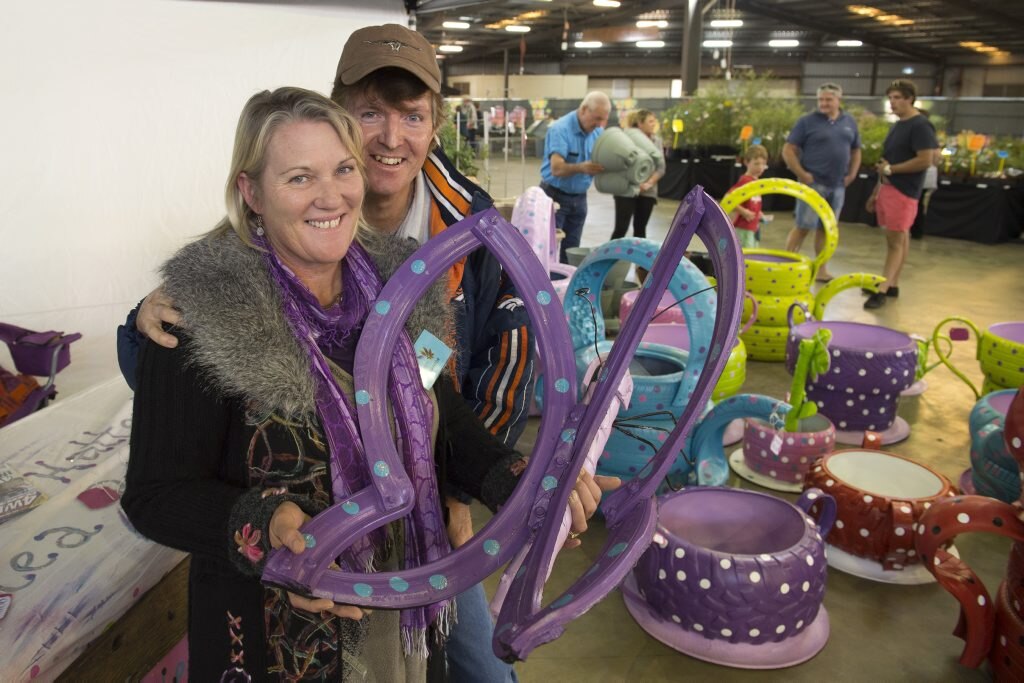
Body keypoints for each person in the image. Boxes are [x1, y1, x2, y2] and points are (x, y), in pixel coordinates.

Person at [121, 86, 613, 682]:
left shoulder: (410, 286)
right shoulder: (200, 315)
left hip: (398, 619)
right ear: (251, 192)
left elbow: (444, 412)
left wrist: (514, 478)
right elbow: (154, 495)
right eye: (299, 178)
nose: (331, 196)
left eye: (343, 169)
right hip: (271, 639)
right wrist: (268, 524)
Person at [863, 80, 939, 310]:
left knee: (895, 241)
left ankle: (882, 289)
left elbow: (926, 159)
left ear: (909, 99)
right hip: (889, 187)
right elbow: (887, 161)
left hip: (904, 190)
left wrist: (892, 170)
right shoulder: (898, 125)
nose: (893, 103)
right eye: (891, 98)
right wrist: (877, 190)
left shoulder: (920, 126)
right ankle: (892, 283)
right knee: (899, 238)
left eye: (897, 98)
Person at [782, 82, 862, 282]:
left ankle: (821, 269)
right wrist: (802, 173)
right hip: (813, 184)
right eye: (821, 99)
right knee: (803, 226)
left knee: (826, 229)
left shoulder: (849, 122)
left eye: (828, 99)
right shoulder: (807, 122)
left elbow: (856, 150)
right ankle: (787, 265)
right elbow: (788, 149)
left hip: (838, 185)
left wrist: (852, 174)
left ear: (838, 100)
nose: (824, 103)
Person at [539, 91, 611, 262]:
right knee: (549, 251)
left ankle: (568, 288)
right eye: (597, 118)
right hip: (554, 197)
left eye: (603, 119)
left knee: (572, 251)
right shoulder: (560, 129)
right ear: (584, 109)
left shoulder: (597, 132)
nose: (599, 124)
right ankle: (548, 288)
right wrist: (581, 168)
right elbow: (556, 169)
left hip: (580, 199)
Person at [609, 109, 666, 241]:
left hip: (648, 192)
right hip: (626, 190)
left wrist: (648, 184)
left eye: (654, 121)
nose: (654, 124)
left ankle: (640, 261)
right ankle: (610, 260)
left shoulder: (656, 141)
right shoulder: (626, 139)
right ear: (640, 124)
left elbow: (661, 167)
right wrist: (635, 183)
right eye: (650, 121)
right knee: (620, 229)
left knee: (640, 231)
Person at [726, 144, 772, 249]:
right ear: (746, 162)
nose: (760, 167)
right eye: (756, 164)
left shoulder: (756, 182)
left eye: (763, 164)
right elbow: (729, 198)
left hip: (754, 227)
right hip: (743, 228)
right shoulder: (745, 180)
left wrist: (759, 213)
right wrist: (743, 211)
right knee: (746, 255)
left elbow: (753, 202)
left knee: (753, 252)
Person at [909, 107, 941, 240]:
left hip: (923, 176)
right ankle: (916, 230)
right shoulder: (929, 136)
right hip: (925, 175)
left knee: (918, 203)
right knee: (920, 203)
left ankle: (915, 230)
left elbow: (935, 157)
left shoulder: (924, 134)